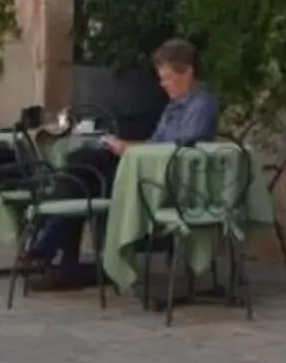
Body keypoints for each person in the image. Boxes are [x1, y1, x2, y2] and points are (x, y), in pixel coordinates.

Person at [20, 41, 219, 277]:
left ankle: (45, 246)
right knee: (82, 168)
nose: (162, 84)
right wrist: (124, 147)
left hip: (165, 179)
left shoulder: (202, 105)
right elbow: (155, 143)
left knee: (82, 177)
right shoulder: (174, 106)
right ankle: (56, 256)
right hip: (147, 168)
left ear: (188, 71)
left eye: (167, 78)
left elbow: (181, 147)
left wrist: (130, 149)